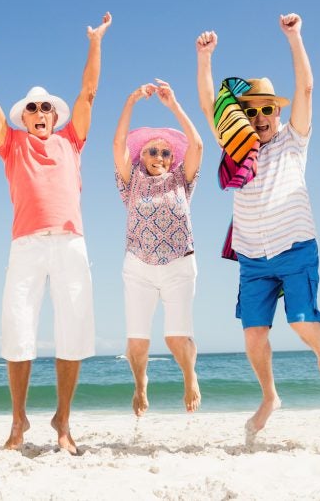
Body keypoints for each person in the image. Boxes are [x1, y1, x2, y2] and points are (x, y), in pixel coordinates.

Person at [0, 13, 111, 454]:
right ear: (22, 118)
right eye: (32, 109)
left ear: (53, 116)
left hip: (70, 241)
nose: (39, 113)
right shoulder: (11, 144)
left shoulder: (71, 140)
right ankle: (18, 422)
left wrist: (95, 41)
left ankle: (63, 422)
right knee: (17, 331)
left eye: (45, 108)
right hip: (25, 244)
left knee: (74, 330)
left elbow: (89, 92)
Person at [196, 13, 320, 443]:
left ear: (275, 114)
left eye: (266, 110)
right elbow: (209, 104)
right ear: (242, 115)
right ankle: (270, 396)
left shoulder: (293, 140)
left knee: (301, 322)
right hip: (252, 257)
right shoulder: (236, 147)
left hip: (295, 247)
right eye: (251, 111)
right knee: (253, 335)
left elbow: (306, 87)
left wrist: (295, 37)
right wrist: (205, 59)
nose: (260, 117)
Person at [113, 79, 203, 416]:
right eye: (153, 151)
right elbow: (118, 142)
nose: (160, 157)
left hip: (179, 265)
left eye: (166, 152)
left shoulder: (182, 179)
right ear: (141, 156)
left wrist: (174, 104)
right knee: (137, 340)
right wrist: (131, 100)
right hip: (138, 267)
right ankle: (140, 384)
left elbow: (197, 143)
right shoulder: (131, 181)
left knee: (176, 337)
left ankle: (190, 377)